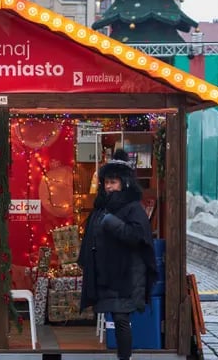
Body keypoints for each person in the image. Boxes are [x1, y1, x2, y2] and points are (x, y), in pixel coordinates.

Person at [78, 148, 157, 360]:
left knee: (121, 318)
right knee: (117, 317)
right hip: (107, 274)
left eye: (113, 182)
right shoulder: (101, 207)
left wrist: (112, 224)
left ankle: (125, 358)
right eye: (106, 183)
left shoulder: (133, 208)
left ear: (124, 182)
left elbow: (137, 236)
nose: (109, 187)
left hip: (126, 275)